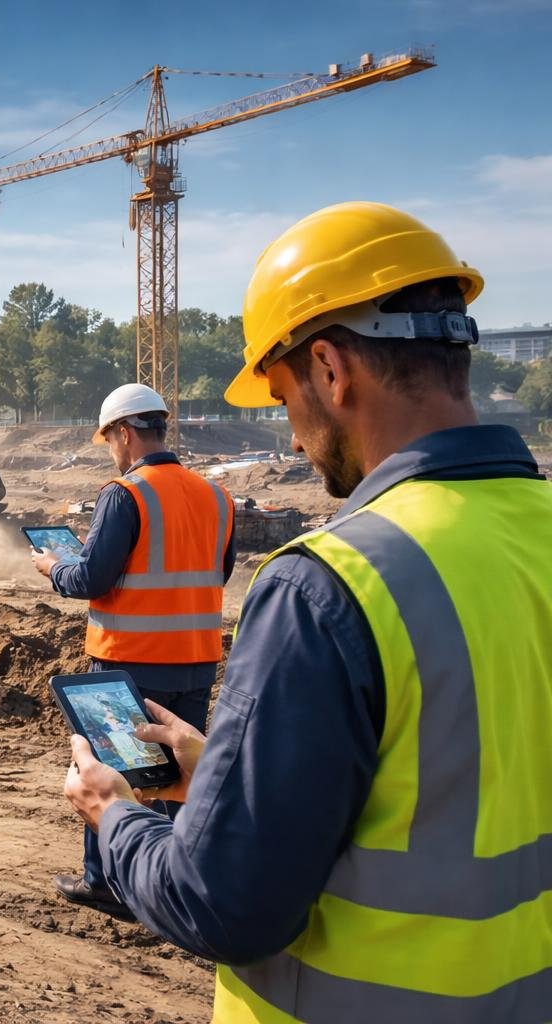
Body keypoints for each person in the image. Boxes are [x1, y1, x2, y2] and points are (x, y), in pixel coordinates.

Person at [62, 202, 552, 1021]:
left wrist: (112, 818)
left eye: (284, 398)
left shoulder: (331, 585)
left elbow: (221, 904)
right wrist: (231, 766)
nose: (291, 439)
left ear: (330, 369)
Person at [34, 382, 235, 920]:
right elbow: (219, 571)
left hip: (130, 659)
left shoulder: (126, 493)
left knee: (114, 774)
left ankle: (107, 882)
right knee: (175, 773)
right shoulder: (217, 496)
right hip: (195, 659)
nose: (112, 453)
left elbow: (91, 578)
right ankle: (167, 879)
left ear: (124, 433)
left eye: (109, 441)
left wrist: (55, 568)